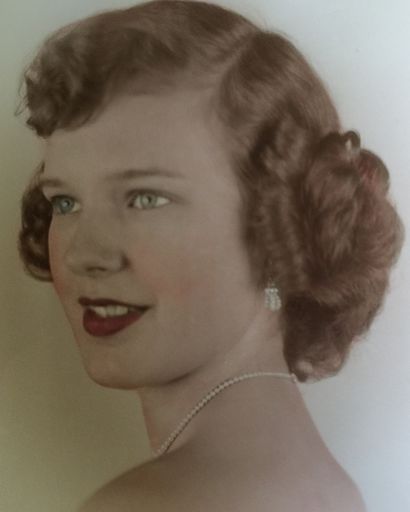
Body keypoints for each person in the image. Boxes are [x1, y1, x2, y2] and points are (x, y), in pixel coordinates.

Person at [16, 1, 404, 511]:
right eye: (65, 202)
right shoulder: (327, 486)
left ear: (281, 227)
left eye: (145, 198)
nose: (84, 254)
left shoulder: (143, 504)